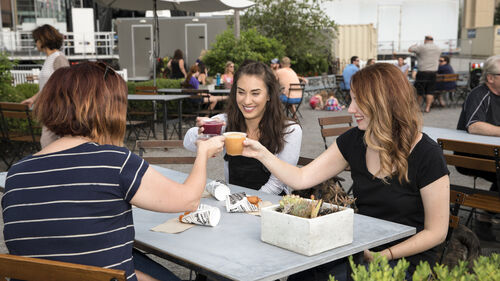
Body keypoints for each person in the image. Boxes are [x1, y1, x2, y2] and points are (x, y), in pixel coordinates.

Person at [2, 62, 225, 281]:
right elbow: (188, 201)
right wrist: (203, 153)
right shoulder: (114, 162)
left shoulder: (16, 173)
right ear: (108, 110)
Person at [242, 63, 450, 279]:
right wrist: (261, 153)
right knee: (301, 273)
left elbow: (436, 232)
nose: (350, 109)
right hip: (361, 247)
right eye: (351, 100)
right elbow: (301, 178)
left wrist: (386, 255)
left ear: (383, 103)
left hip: (406, 259)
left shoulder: (427, 154)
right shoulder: (355, 140)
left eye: (358, 101)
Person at [184, 61, 302, 195]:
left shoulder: (289, 130)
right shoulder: (226, 122)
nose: (246, 101)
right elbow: (187, 142)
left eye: (255, 93)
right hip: (234, 201)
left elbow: (277, 184)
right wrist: (203, 132)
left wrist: (249, 203)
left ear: (269, 95)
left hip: (270, 206)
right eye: (241, 92)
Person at [456, 54, 500, 241]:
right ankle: (485, 217)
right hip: (473, 158)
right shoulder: (479, 94)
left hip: (494, 157)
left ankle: (485, 217)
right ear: (490, 78)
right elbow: (474, 126)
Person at [21, 24, 70, 148]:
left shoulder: (59, 59)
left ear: (43, 40)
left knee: (48, 144)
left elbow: (66, 86)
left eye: (36, 40)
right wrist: (33, 99)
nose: (35, 43)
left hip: (57, 111)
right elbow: (47, 86)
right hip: (49, 110)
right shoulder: (49, 59)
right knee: (49, 144)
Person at [409, 35, 442, 113]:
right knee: (430, 91)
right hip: (433, 73)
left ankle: (417, 107)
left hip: (422, 72)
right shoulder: (438, 48)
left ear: (425, 40)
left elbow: (410, 50)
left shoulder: (422, 47)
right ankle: (427, 108)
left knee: (419, 91)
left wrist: (414, 46)